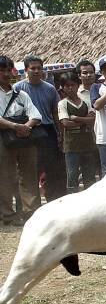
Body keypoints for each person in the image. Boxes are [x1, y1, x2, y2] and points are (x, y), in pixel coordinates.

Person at [14, 55, 66, 202]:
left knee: (53, 169)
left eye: (39, 68)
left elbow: (55, 112)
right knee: (29, 170)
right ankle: (30, 206)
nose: (36, 71)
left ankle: (55, 201)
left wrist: (59, 133)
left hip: (48, 131)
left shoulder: (50, 89)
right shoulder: (17, 89)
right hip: (27, 132)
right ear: (26, 70)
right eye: (33, 68)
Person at [0, 55, 42, 226]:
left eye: (7, 70)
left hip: (25, 138)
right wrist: (15, 127)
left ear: (13, 71)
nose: (5, 73)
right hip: (3, 139)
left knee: (29, 175)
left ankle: (30, 213)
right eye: (1, 70)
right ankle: (8, 215)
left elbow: (36, 115)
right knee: (5, 177)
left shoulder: (21, 93)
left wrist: (26, 127)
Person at [57, 72, 97, 193]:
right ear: (62, 88)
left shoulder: (85, 101)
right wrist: (84, 121)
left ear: (77, 85)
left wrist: (76, 118)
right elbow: (65, 123)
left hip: (88, 143)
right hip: (71, 145)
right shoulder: (62, 103)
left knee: (89, 175)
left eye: (73, 85)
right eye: (67, 86)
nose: (70, 88)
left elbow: (93, 119)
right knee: (72, 175)